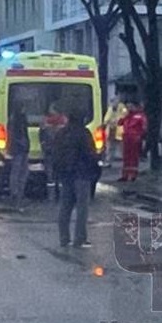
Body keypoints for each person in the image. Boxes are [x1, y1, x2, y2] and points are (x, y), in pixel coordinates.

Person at [55, 109, 100, 248]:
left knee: (65, 206)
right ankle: (79, 239)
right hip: (82, 174)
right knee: (82, 208)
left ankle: (64, 238)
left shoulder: (61, 133)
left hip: (65, 175)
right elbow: (90, 154)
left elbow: (55, 153)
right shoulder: (84, 133)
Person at [6, 102, 30, 213]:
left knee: (22, 171)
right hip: (18, 149)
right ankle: (15, 194)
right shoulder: (16, 119)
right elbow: (14, 134)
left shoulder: (19, 118)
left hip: (21, 148)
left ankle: (18, 193)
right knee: (18, 172)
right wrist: (22, 144)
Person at [119, 101, 147, 182]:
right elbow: (119, 123)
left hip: (135, 138)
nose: (129, 108)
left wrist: (139, 136)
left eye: (130, 106)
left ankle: (133, 175)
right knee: (126, 157)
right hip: (126, 138)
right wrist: (124, 115)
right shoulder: (127, 116)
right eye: (127, 107)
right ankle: (125, 175)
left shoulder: (140, 116)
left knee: (133, 157)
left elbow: (144, 127)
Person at [103, 99, 128, 163]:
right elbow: (106, 119)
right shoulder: (110, 109)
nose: (113, 104)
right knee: (110, 145)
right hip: (111, 129)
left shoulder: (123, 107)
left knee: (121, 146)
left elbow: (125, 116)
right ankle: (108, 159)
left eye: (114, 102)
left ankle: (125, 159)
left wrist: (116, 120)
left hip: (119, 130)